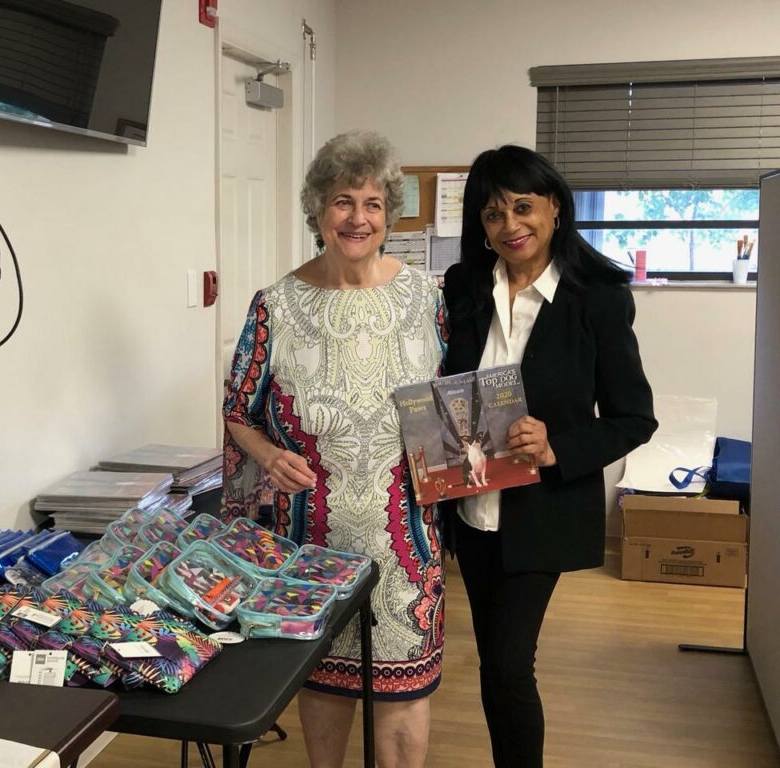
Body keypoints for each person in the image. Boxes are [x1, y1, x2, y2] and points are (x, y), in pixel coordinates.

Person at [222, 130, 447, 768]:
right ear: (318, 211)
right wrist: (267, 456)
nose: (358, 218)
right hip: (309, 543)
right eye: (343, 201)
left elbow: (456, 407)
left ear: (389, 213)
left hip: (404, 540)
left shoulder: (427, 299)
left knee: (405, 692)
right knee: (323, 682)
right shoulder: (276, 306)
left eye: (373, 203)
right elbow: (238, 412)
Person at [441, 144, 658, 768]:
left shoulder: (600, 297)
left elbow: (634, 418)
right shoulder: (463, 287)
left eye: (523, 207)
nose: (510, 226)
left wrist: (556, 446)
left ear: (555, 208)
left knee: (510, 664)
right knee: (494, 664)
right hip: (469, 508)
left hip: (544, 512)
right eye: (491, 214)